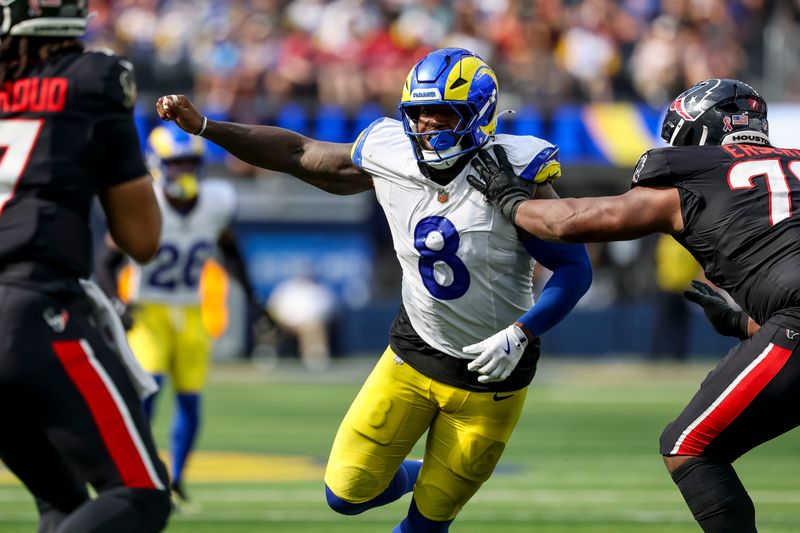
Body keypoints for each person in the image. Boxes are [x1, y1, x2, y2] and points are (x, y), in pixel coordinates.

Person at [156, 47, 592, 531]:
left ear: (480, 115)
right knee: (345, 494)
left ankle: (438, 488)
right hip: (413, 352)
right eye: (420, 115)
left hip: (491, 376)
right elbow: (299, 153)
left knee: (426, 525)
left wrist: (523, 332)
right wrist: (206, 128)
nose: (429, 127)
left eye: (444, 114)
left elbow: (575, 269)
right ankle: (429, 475)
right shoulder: (391, 154)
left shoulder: (513, 174)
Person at [468, 78, 797, 532]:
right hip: (789, 322)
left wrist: (509, 199)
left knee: (690, 446)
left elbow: (569, 223)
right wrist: (745, 324)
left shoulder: (690, 179)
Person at [0, 1, 172, 532]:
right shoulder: (93, 79)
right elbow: (141, 240)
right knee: (140, 495)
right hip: (30, 309)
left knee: (64, 504)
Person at [96, 122, 259, 504]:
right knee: (149, 390)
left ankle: (178, 477)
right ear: (156, 165)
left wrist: (253, 298)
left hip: (191, 309)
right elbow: (105, 263)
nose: (183, 171)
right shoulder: (144, 199)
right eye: (175, 164)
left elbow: (230, 250)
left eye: (188, 163)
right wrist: (116, 304)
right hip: (148, 310)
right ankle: (139, 472)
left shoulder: (216, 201)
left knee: (190, 398)